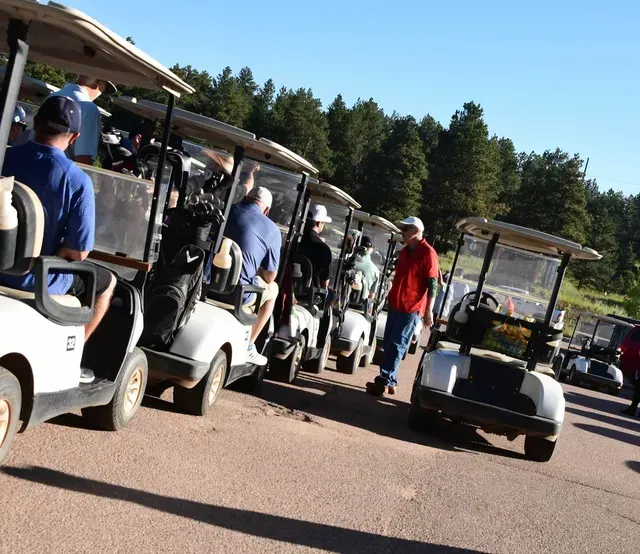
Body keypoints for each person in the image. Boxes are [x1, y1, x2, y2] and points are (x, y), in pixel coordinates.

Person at [0, 96, 116, 383]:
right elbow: (79, 252)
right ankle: (74, 358)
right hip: (32, 278)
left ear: (35, 123)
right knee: (107, 282)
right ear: (75, 137)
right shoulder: (76, 180)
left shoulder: (5, 156)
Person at [366, 216, 439, 396]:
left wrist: (429, 311)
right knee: (390, 341)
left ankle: (383, 380)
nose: (402, 232)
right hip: (396, 303)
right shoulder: (405, 252)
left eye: (405, 229)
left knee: (397, 344)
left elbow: (433, 284)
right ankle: (391, 380)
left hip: (411, 307)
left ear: (416, 231)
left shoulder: (428, 254)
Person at [223, 186, 281, 365]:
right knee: (274, 289)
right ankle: (249, 345)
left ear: (246, 198)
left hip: (207, 282)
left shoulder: (227, 209)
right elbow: (270, 276)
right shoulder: (271, 228)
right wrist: (257, 269)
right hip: (239, 292)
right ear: (267, 209)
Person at [51, 76, 117, 164]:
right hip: (61, 173)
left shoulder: (52, 96)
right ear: (99, 83)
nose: (101, 93)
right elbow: (84, 160)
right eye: (103, 89)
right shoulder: (88, 108)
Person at [298, 205, 333, 289]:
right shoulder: (324, 249)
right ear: (318, 223)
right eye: (323, 222)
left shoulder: (295, 239)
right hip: (310, 293)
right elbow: (324, 282)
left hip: (288, 286)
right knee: (334, 296)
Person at [354, 235, 380, 300]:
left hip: (340, 303)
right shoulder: (375, 270)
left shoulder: (347, 261)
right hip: (360, 306)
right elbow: (371, 295)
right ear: (372, 250)